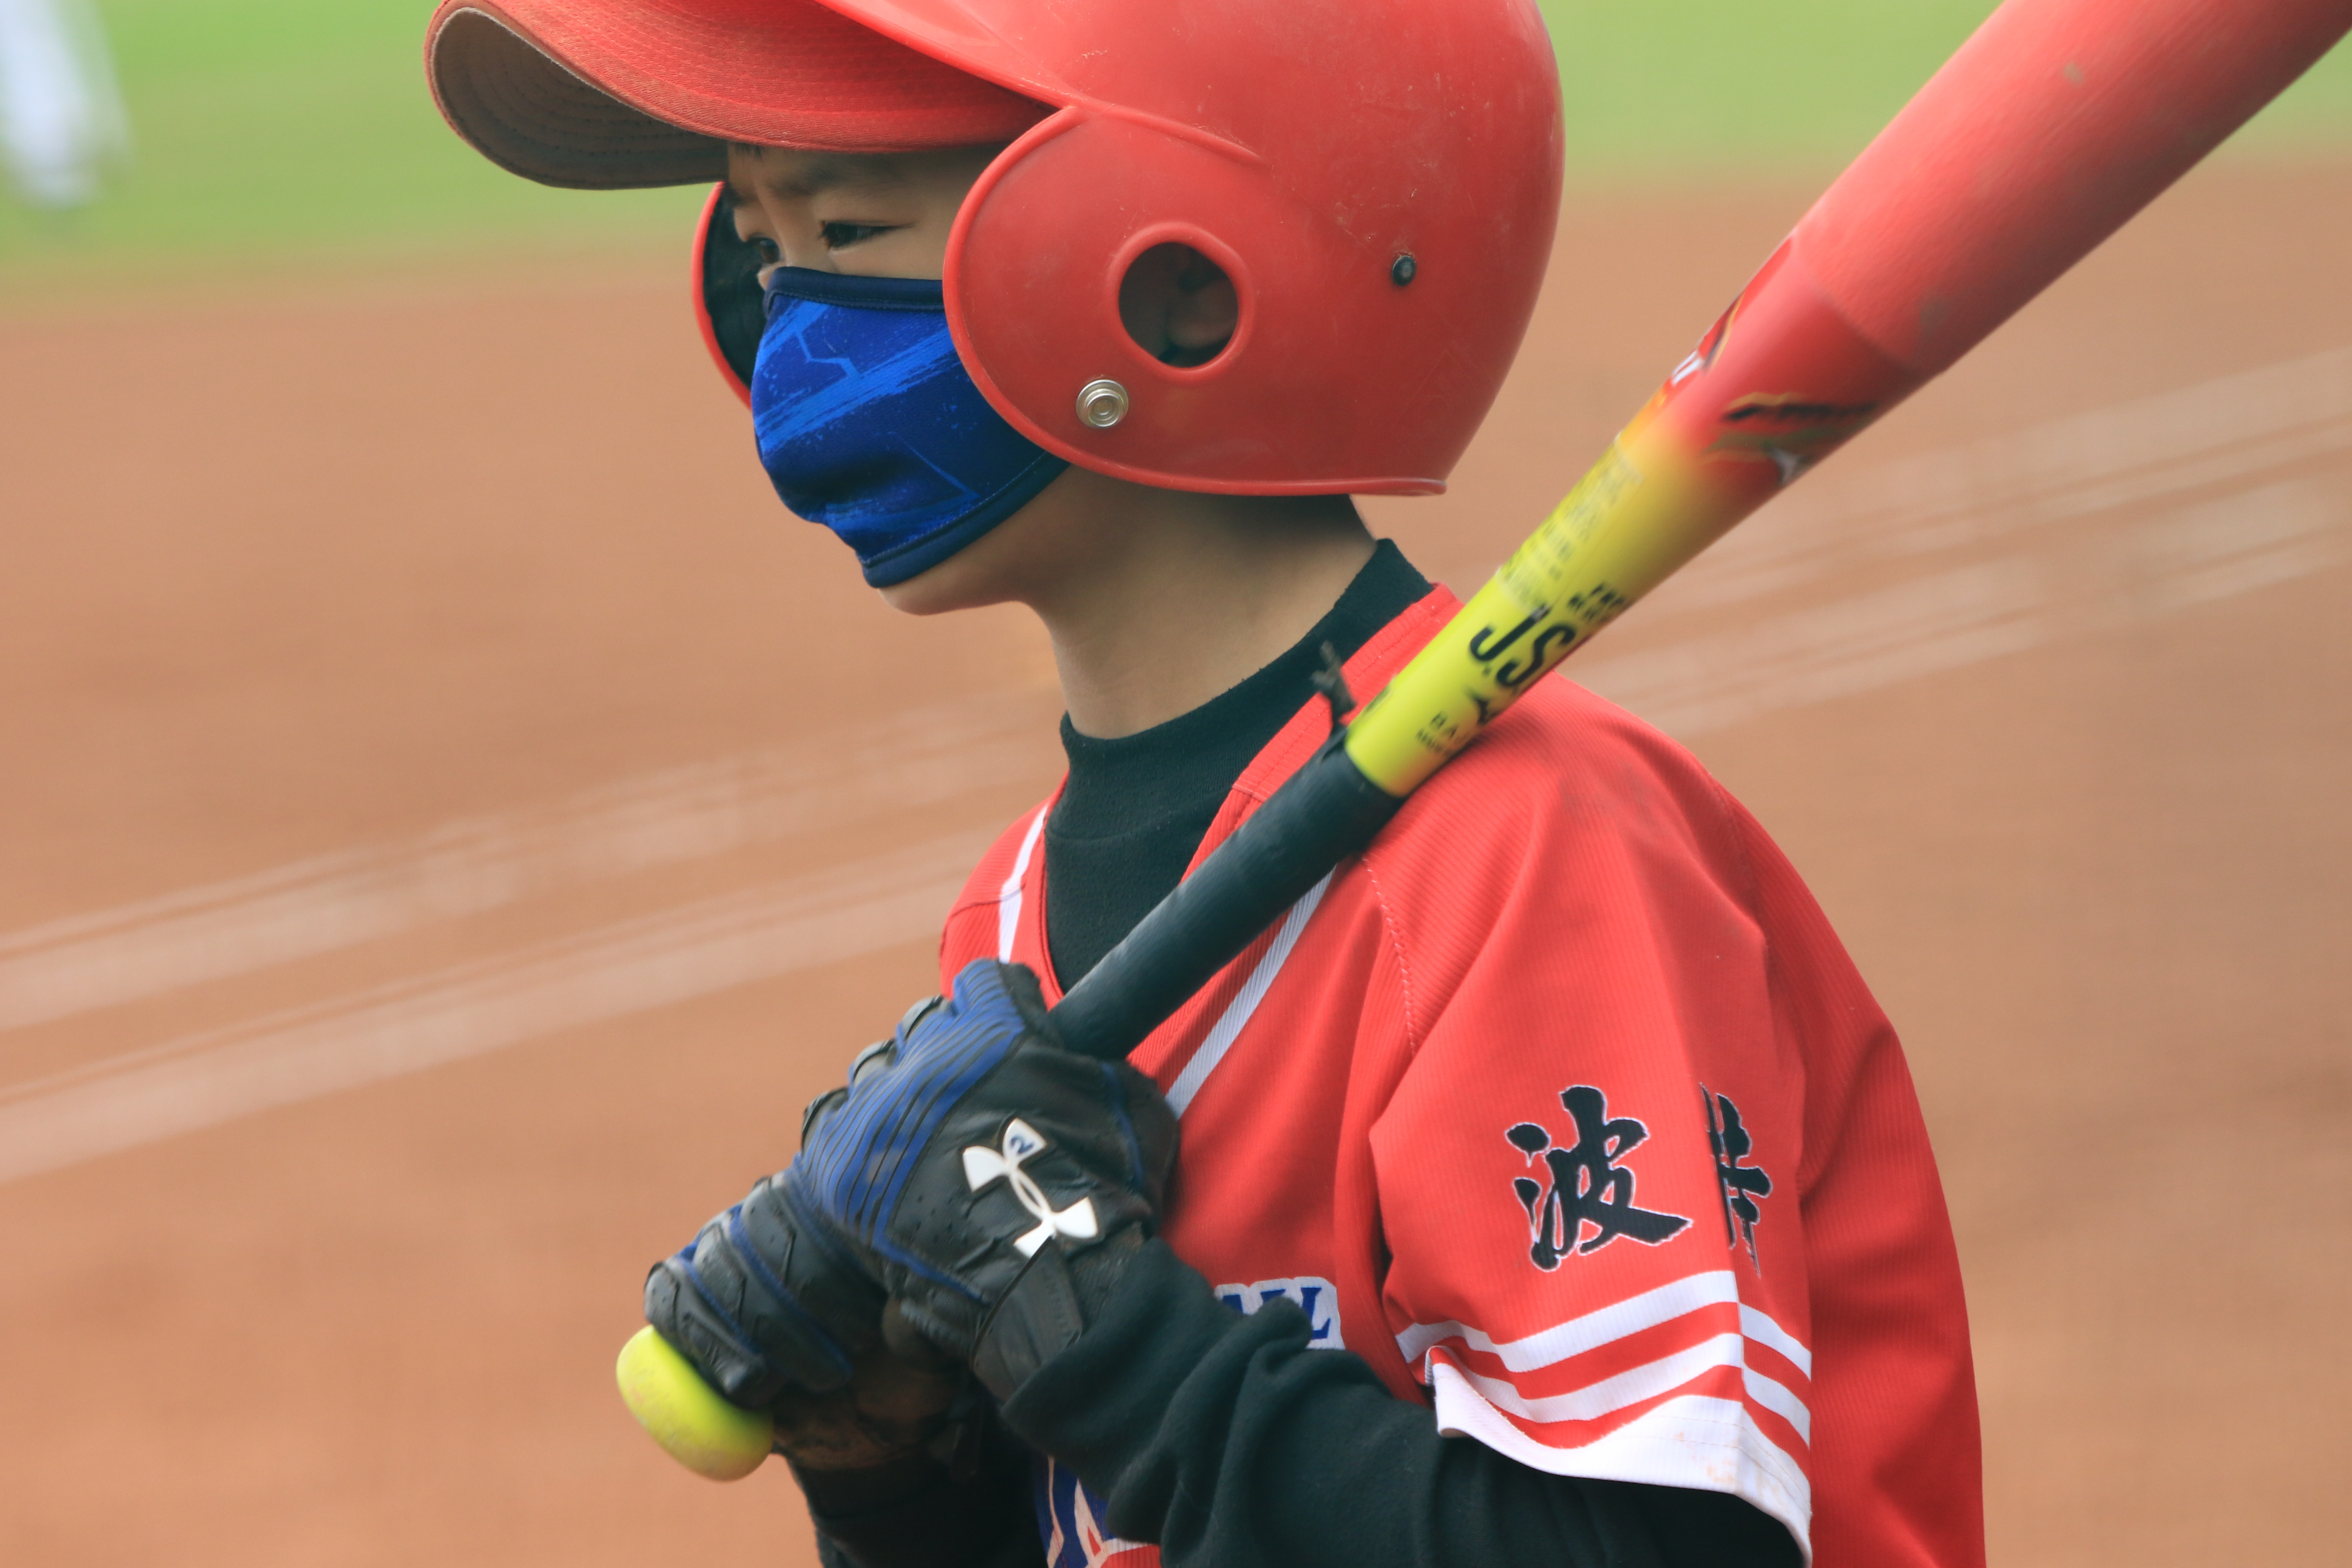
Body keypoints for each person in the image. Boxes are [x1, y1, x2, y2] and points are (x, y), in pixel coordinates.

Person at [423, 4, 1984, 1567]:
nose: (793, 327)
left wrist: (1103, 1337)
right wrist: (900, 1471)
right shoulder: (1009, 919)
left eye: (843, 230)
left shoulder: (1531, 860)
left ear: (1181, 291)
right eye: (761, 246)